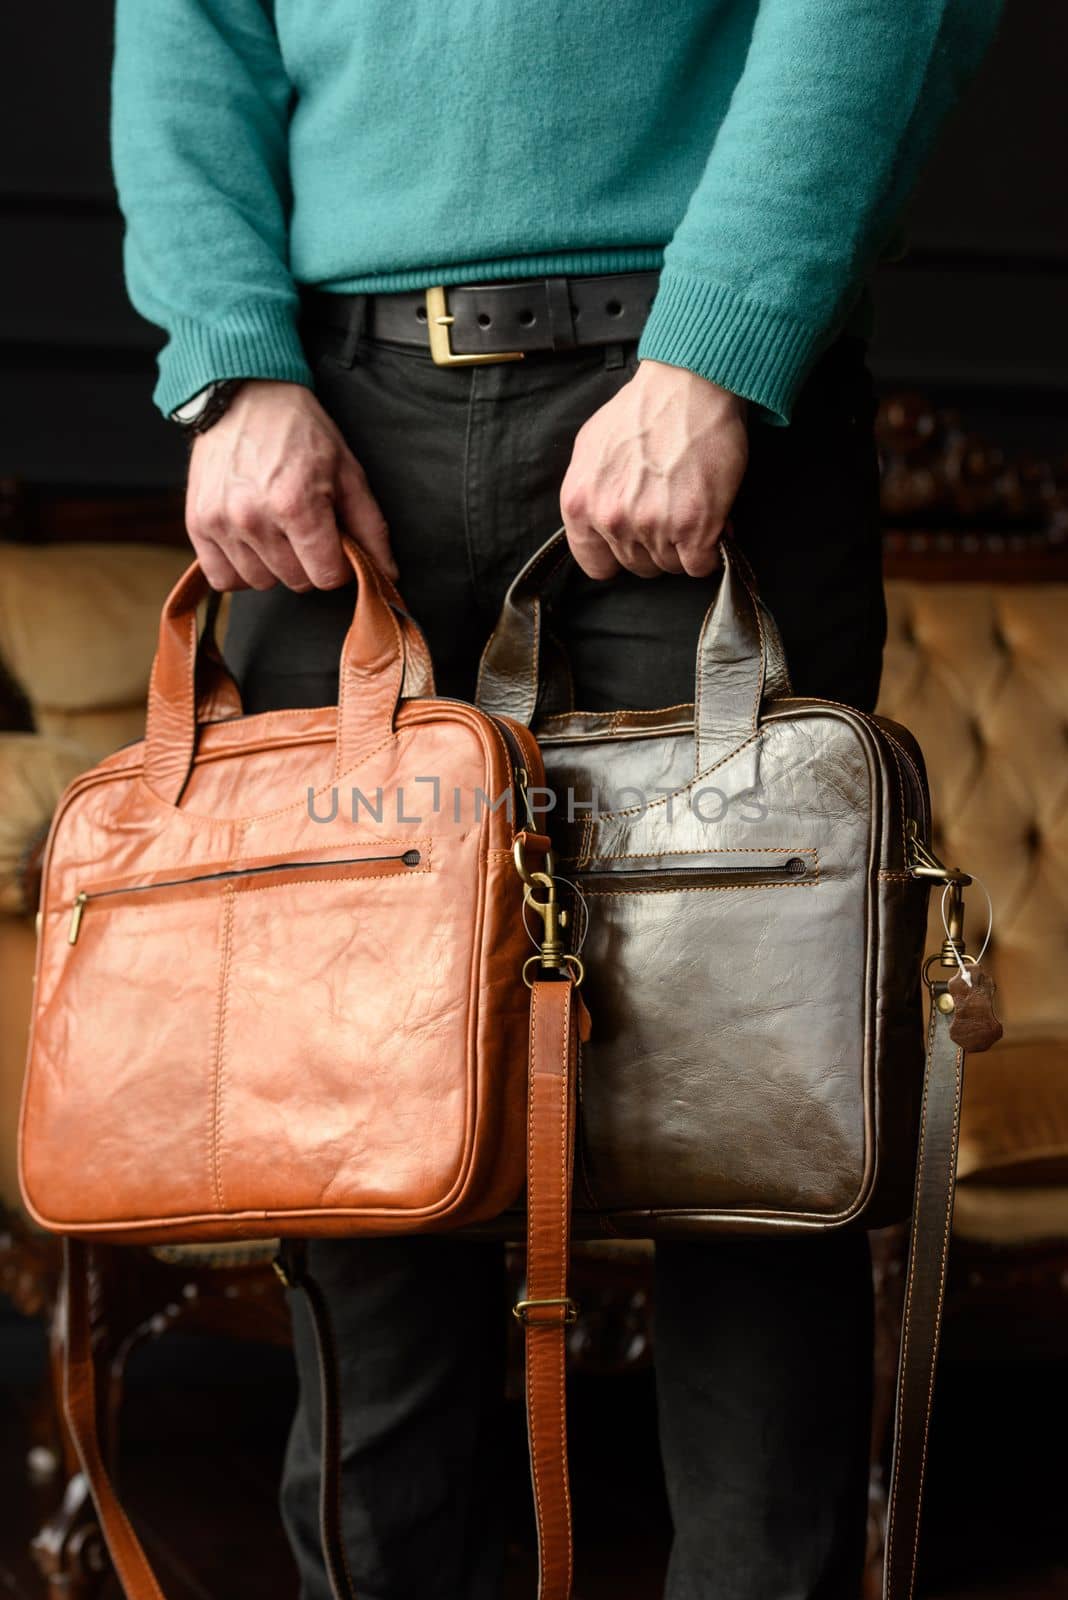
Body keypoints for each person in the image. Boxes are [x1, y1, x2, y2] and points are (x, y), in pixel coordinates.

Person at [111, 4, 1001, 1595]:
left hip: (696, 385)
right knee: (353, 1132)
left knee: (756, 1123)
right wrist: (230, 365)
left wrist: (720, 346)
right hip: (329, 418)